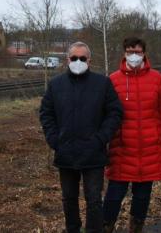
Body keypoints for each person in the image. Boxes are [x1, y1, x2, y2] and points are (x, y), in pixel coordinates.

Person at [39, 41, 123, 233]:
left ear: (89, 60)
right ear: (67, 60)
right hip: (66, 152)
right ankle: (72, 229)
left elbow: (115, 113)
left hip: (93, 153)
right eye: (74, 58)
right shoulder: (56, 85)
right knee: (69, 198)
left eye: (82, 58)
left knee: (94, 200)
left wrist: (101, 138)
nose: (78, 61)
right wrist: (54, 140)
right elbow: (46, 113)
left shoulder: (102, 83)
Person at [103, 37, 161, 233]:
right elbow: (107, 113)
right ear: (124, 53)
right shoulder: (113, 79)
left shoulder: (156, 78)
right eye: (130, 51)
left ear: (144, 53)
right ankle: (106, 226)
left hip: (150, 146)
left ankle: (136, 227)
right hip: (122, 147)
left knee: (142, 195)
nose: (134, 55)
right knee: (114, 194)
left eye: (138, 51)